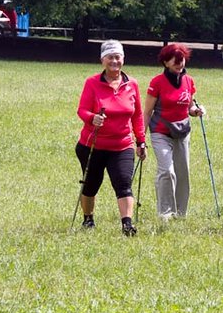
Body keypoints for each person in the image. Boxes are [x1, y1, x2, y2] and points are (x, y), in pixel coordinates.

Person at [76, 40, 147, 236]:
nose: (114, 61)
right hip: (93, 144)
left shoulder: (132, 84)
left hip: (122, 144)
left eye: (118, 57)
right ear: (102, 60)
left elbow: (137, 115)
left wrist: (141, 140)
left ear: (123, 59)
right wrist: (93, 118)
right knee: (91, 184)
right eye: (110, 57)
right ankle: (88, 219)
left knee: (124, 183)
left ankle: (127, 224)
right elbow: (82, 110)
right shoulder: (92, 83)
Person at [143, 43, 205, 220]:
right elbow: (147, 111)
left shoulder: (189, 81)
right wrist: (140, 138)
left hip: (182, 132)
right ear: (165, 62)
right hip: (160, 132)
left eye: (182, 59)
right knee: (167, 171)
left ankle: (180, 213)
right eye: (175, 60)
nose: (179, 63)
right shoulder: (157, 82)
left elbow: (189, 106)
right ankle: (165, 212)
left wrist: (196, 111)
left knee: (182, 173)